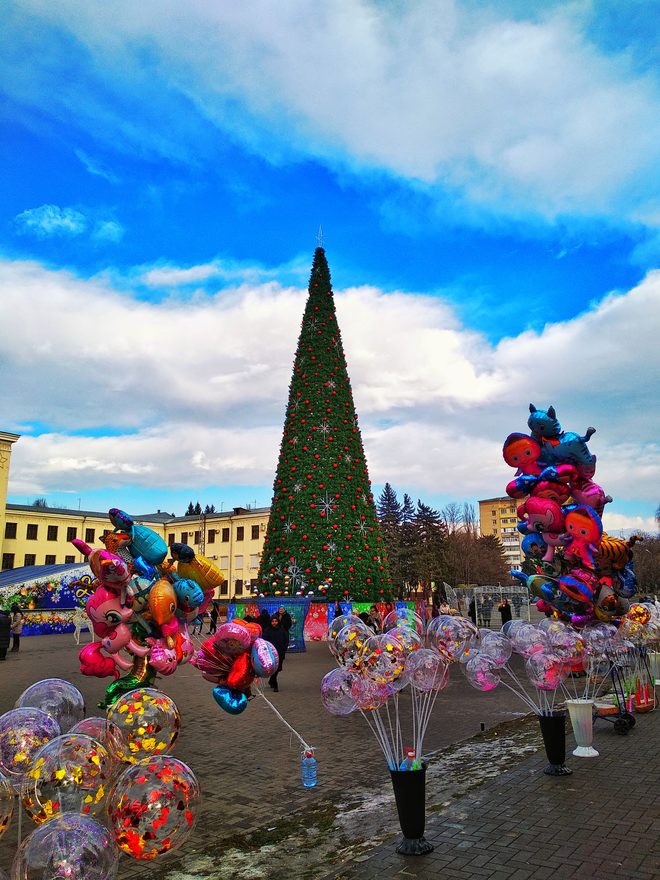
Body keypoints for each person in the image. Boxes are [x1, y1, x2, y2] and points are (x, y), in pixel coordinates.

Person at [261, 615, 288, 692]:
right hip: (271, 653)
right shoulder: (267, 631)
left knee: (278, 668)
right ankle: (275, 684)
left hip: (280, 652)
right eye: (273, 621)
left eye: (275, 621)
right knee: (274, 668)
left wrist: (284, 648)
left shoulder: (282, 630)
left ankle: (271, 680)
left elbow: (286, 639)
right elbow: (264, 642)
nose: (274, 623)